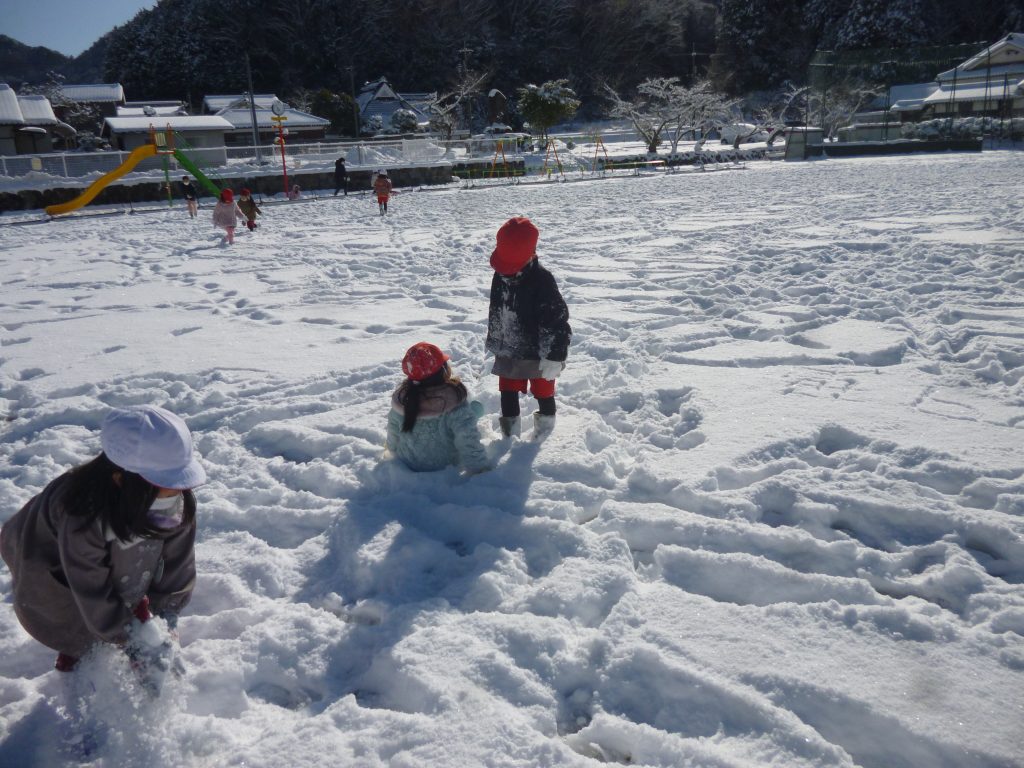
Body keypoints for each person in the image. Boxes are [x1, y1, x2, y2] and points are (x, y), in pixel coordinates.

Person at [0, 405, 205, 676]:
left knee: (132, 561)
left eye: (180, 481)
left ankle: (124, 619)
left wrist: (164, 620)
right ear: (120, 478)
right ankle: (77, 651)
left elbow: (177, 564)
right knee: (78, 615)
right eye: (164, 483)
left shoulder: (172, 498)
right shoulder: (80, 513)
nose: (178, 490)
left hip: (103, 550)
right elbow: (91, 588)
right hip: (52, 570)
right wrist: (134, 640)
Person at [485, 217, 571, 437]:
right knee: (508, 392)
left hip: (538, 352)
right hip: (509, 347)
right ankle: (509, 437)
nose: (507, 273)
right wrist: (496, 338)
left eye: (510, 267)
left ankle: (544, 435)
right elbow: (497, 308)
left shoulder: (542, 280)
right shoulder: (500, 274)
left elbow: (556, 319)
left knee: (544, 393)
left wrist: (555, 354)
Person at [386, 342, 489, 474]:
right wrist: (479, 468)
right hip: (445, 464)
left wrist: (390, 449)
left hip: (409, 461)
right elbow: (467, 437)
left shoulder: (403, 399)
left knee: (470, 411)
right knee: (475, 409)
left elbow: (393, 430)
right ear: (443, 370)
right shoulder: (452, 399)